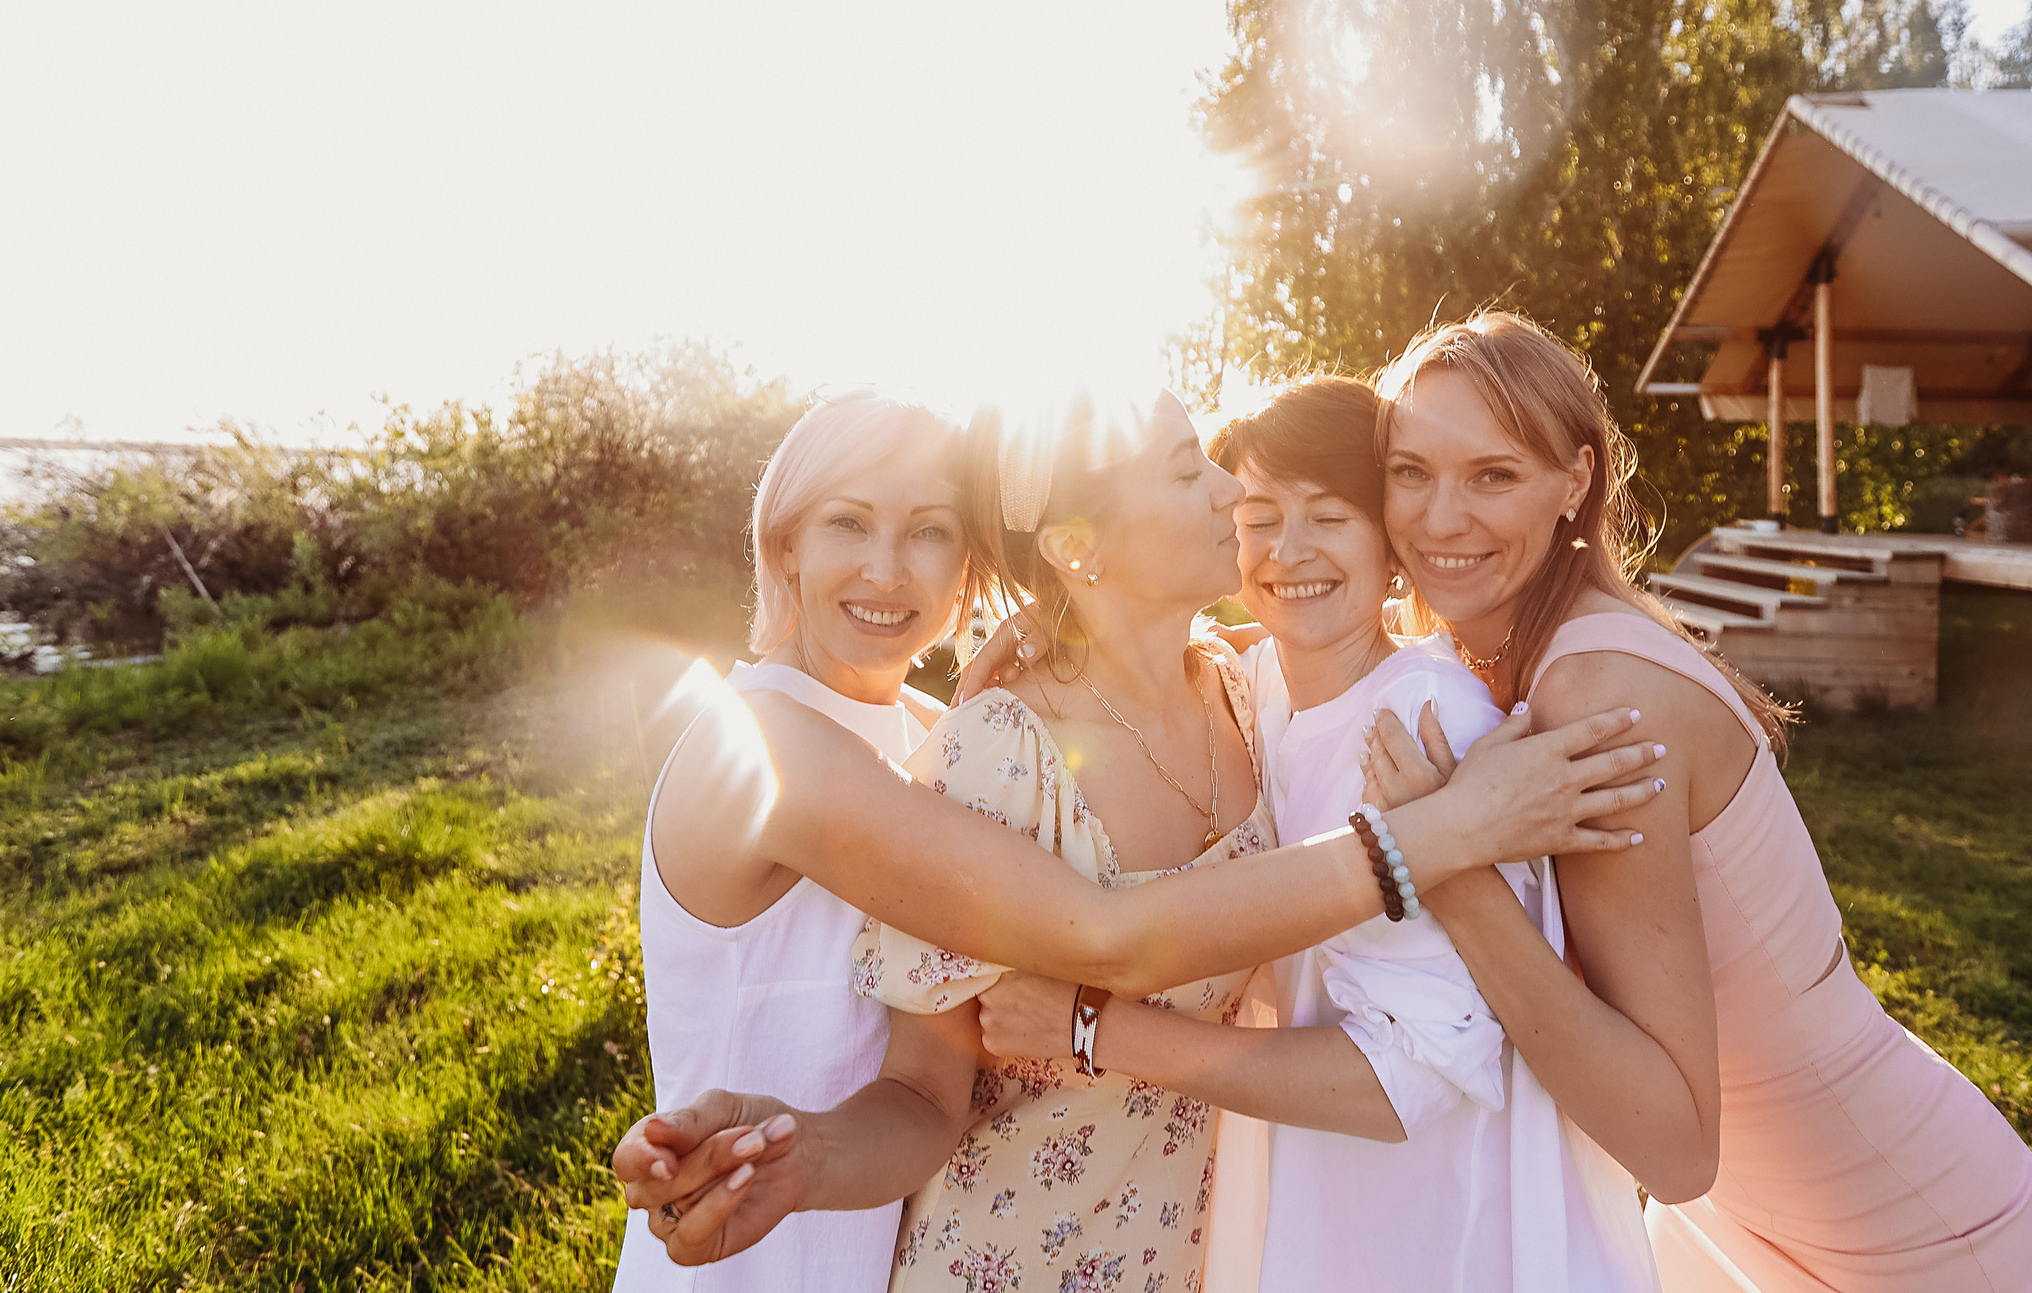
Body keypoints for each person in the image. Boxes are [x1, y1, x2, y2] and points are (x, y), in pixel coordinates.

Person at [610, 386, 1666, 1288]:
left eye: (933, 530)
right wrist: (1437, 833)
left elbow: (1315, 649)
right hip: (948, 1250)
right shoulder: (921, 752)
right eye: (1183, 472)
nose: (1230, 491)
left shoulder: (1243, 705)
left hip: (1174, 1246)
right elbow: (1079, 960)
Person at [1361, 314, 2032, 1292]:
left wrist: (1444, 866)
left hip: (1907, 1238)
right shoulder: (1510, 648)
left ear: (1574, 482)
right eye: (1411, 472)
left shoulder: (1597, 692)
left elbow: (1675, 1146)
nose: (1440, 518)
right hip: (1735, 1225)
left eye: (1493, 474)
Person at [967, 376, 1658, 1293]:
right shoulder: (1251, 690)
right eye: (1260, 512)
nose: (1289, 550)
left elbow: (1403, 1079)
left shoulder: (1425, 719)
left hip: (1435, 1223)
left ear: (1391, 546)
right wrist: (1037, 632)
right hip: (1309, 1197)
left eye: (1329, 516)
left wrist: (1098, 1029)